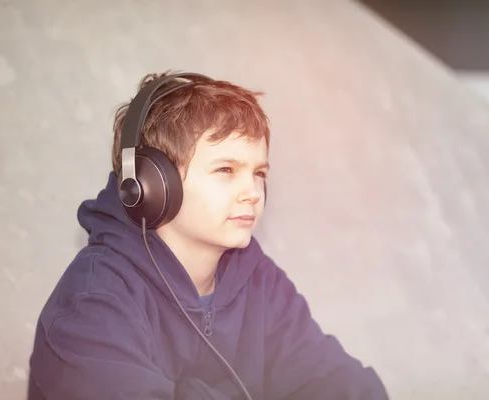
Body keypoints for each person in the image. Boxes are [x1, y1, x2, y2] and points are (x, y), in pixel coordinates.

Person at [28, 71, 389, 400]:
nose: (252, 192)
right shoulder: (93, 305)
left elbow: (349, 387)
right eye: (226, 170)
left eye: (259, 173)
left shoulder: (258, 280)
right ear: (151, 185)